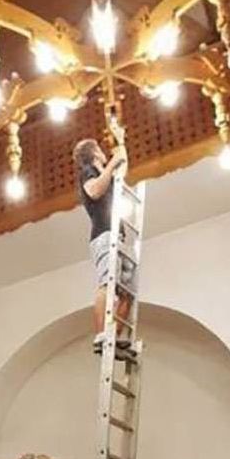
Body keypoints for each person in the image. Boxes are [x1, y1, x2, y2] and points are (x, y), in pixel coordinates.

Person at [73, 137, 135, 353]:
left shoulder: (107, 176)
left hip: (118, 236)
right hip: (104, 235)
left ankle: (113, 337)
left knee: (127, 292)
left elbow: (121, 167)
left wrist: (120, 142)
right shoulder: (88, 172)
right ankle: (101, 334)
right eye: (100, 149)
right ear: (94, 153)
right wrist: (110, 164)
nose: (103, 153)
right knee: (107, 283)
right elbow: (94, 191)